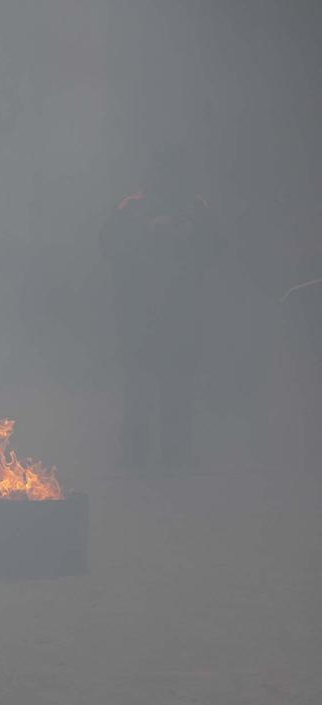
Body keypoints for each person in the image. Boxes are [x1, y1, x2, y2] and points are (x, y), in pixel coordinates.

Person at [101, 148, 218, 471]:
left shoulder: (195, 207)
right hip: (140, 314)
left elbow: (213, 252)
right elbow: (110, 246)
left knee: (176, 387)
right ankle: (138, 459)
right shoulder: (133, 207)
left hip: (182, 314)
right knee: (141, 389)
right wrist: (148, 232)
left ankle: (175, 456)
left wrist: (186, 235)